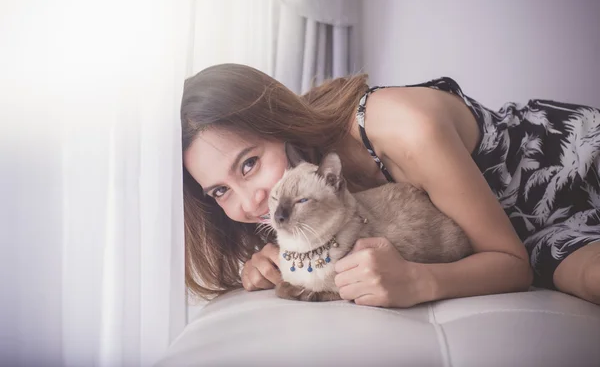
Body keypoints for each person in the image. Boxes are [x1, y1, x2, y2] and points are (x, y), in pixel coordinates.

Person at [181, 63, 600, 307]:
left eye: (249, 164)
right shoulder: (301, 202)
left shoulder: (400, 128)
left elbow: (510, 262)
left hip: (568, 167)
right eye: (220, 191)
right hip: (540, 237)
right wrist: (269, 260)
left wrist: (418, 281)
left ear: (280, 123)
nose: (248, 201)